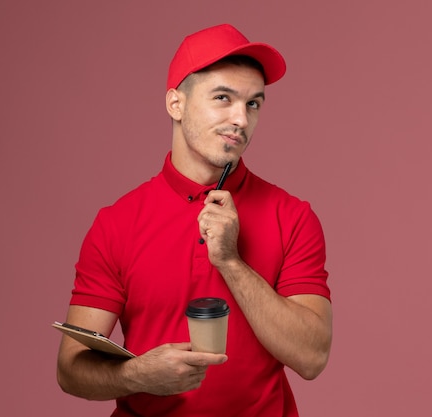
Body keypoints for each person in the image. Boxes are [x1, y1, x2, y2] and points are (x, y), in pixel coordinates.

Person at [56, 23, 332, 417]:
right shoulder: (117, 222)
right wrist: (136, 376)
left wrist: (231, 262)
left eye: (254, 103)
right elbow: (70, 368)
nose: (241, 118)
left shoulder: (292, 216)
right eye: (223, 98)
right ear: (176, 104)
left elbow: (312, 357)